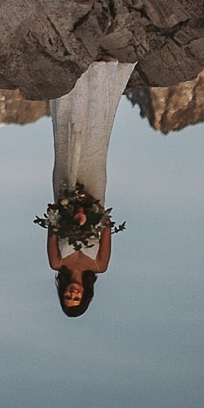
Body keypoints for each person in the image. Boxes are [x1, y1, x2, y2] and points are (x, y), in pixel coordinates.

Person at [47, 58, 137, 316]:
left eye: (67, 297)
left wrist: (68, 208)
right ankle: (100, 76)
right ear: (85, 295)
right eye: (77, 298)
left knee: (67, 144)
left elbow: (53, 225)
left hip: (64, 190)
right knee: (95, 148)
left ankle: (70, 79)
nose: (72, 294)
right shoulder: (99, 264)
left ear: (62, 292)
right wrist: (91, 206)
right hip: (95, 192)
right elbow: (106, 224)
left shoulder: (57, 262)